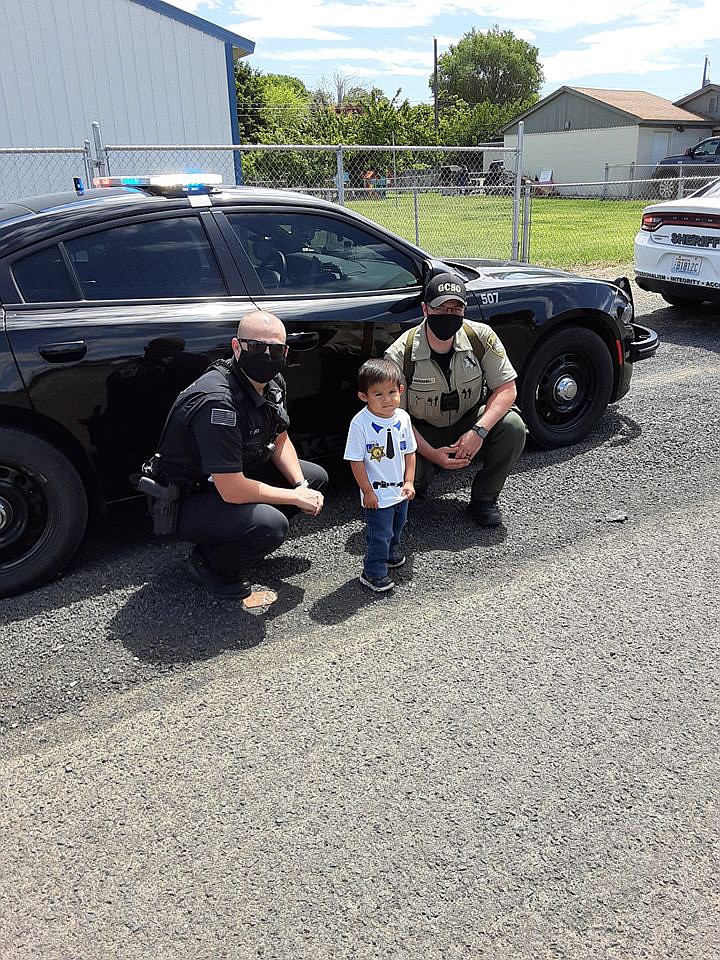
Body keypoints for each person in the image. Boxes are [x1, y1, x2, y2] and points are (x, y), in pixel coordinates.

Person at [145, 310, 328, 600]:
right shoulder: (218, 402)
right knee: (271, 525)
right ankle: (211, 564)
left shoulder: (273, 382)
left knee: (313, 479)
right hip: (187, 498)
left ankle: (239, 539)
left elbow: (280, 438)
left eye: (275, 349)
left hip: (229, 477)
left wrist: (299, 486)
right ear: (236, 346)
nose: (267, 355)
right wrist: (294, 498)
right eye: (256, 346)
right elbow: (231, 490)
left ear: (285, 351)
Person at [384, 272, 526, 526]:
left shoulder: (481, 337)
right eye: (441, 308)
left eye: (456, 308)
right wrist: (432, 454)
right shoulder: (399, 354)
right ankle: (417, 488)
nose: (449, 314)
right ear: (425, 309)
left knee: (513, 427)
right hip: (421, 432)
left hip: (467, 421)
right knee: (395, 454)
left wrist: (478, 433)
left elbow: (507, 388)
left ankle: (484, 499)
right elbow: (397, 420)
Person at [344, 358, 416, 593]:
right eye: (378, 394)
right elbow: (355, 461)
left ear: (401, 391)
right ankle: (373, 570)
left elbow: (409, 452)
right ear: (363, 396)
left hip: (399, 491)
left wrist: (409, 481)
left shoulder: (403, 418)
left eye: (392, 392)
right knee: (379, 533)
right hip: (377, 493)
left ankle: (391, 553)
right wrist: (367, 491)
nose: (387, 400)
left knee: (399, 524)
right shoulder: (360, 423)